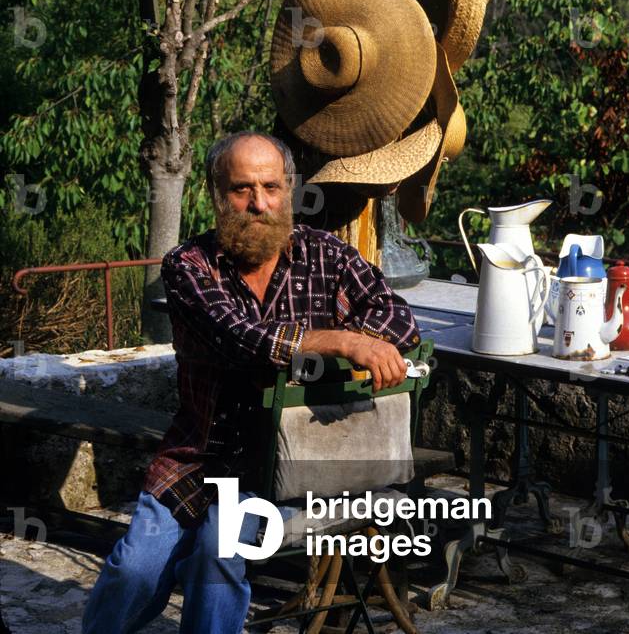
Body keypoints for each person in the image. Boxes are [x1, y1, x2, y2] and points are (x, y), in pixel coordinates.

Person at [83, 130, 420, 634]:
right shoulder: (188, 266)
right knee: (133, 570)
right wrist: (341, 342)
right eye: (242, 189)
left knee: (215, 558)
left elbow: (399, 320)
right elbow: (241, 337)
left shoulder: (326, 255)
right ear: (217, 195)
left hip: (294, 466)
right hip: (198, 456)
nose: (258, 203)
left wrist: (366, 340)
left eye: (271, 187)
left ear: (289, 190)